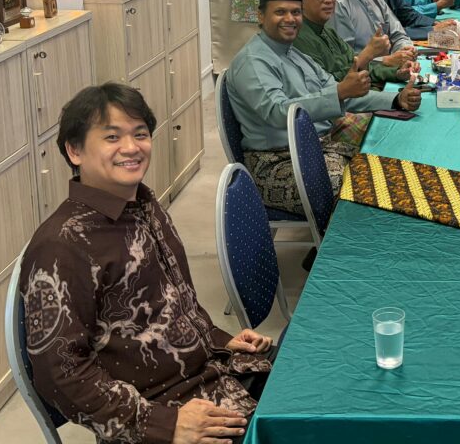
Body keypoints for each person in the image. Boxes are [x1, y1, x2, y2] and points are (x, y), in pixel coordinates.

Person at [21, 83, 273, 444]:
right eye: (112, 137)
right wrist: (166, 425)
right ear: (74, 151)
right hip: (162, 414)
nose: (131, 147)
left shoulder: (143, 205)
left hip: (211, 374)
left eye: (140, 134)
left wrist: (220, 340)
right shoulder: (63, 244)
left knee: (318, 380)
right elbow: (60, 373)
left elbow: (172, 305)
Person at [228, 0, 422, 215]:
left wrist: (396, 100)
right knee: (360, 192)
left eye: (295, 12)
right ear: (260, 16)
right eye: (280, 12)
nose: (290, 19)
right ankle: (346, 238)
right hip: (276, 163)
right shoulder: (253, 61)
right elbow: (278, 113)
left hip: (315, 147)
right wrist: (340, 92)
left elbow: (342, 92)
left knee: (391, 153)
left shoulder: (294, 54)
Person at [292, 0, 414, 95]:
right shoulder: (299, 38)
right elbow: (330, 87)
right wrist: (368, 53)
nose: (328, 0)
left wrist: (397, 73)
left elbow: (357, 64)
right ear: (300, 0)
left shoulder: (327, 31)